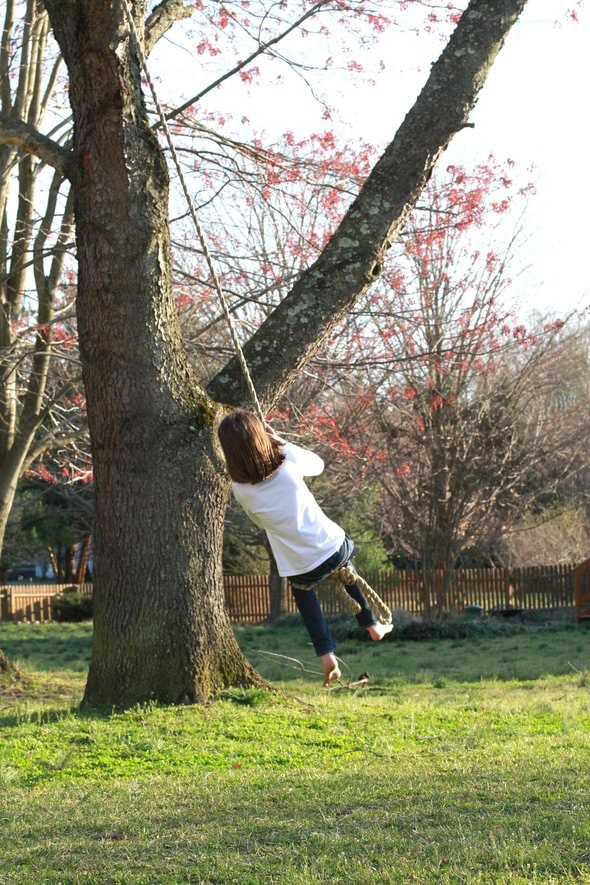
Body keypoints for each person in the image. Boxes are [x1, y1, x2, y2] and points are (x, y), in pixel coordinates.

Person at [217, 409, 392, 687]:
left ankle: (327, 656)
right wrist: (281, 441)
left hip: (299, 566)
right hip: (332, 548)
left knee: (305, 597)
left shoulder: (240, 490)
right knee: (346, 569)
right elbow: (318, 465)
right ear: (260, 438)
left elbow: (258, 520)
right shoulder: (287, 463)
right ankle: (371, 624)